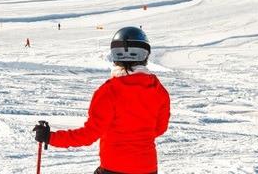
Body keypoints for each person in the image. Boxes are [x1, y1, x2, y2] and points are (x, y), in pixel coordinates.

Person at [33, 27, 170, 174]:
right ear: (145, 56)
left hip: (114, 168)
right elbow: (159, 128)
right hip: (147, 168)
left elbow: (89, 135)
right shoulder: (158, 90)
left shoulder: (109, 91)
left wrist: (51, 137)